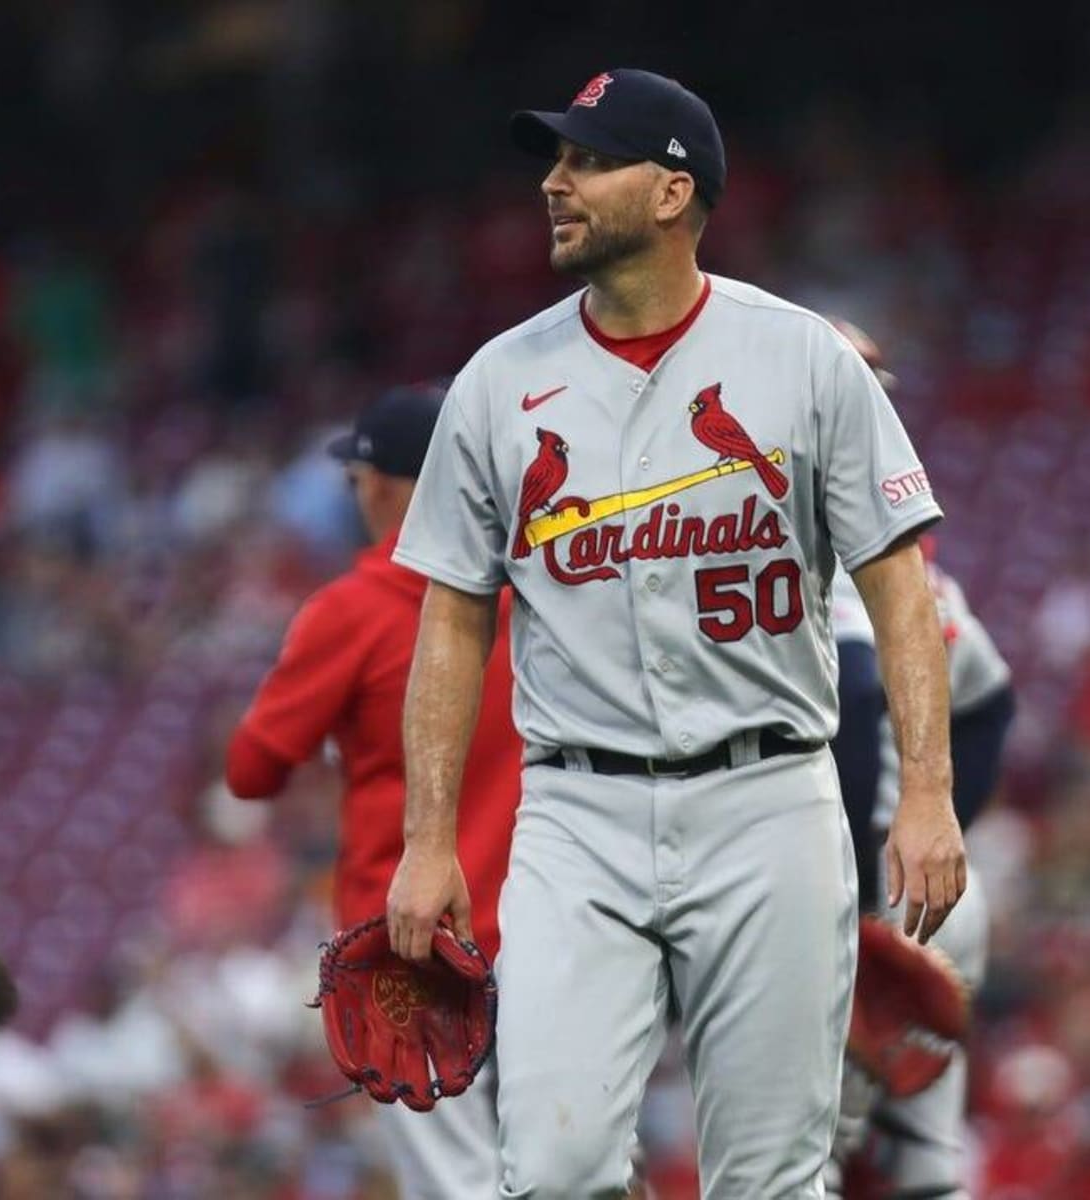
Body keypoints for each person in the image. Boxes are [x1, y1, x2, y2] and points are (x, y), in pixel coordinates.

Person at [383, 68, 965, 1197]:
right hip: (576, 815)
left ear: (670, 191)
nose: (555, 181)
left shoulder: (802, 358)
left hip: (768, 802)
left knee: (771, 1178)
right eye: (555, 159)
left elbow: (899, 589)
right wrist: (426, 836)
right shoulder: (498, 384)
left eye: (588, 160)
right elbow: (452, 618)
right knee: (551, 1171)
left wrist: (927, 795)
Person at [225, 384, 521, 1200]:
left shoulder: (351, 611)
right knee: (573, 1167)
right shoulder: (537, 594)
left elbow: (251, 771)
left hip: (409, 941)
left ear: (386, 485)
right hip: (548, 923)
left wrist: (338, 724)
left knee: (457, 1186)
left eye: (357, 480)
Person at [825, 321, 1015, 1200]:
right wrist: (943, 830)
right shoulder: (926, 575)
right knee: (926, 1159)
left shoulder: (816, 558)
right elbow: (991, 702)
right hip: (938, 896)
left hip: (858, 899)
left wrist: (869, 892)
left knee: (809, 1155)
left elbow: (859, 705)